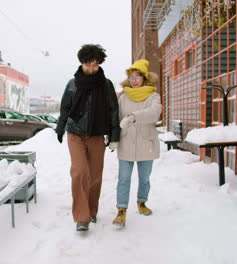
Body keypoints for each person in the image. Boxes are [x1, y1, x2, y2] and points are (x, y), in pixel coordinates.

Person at [56, 44, 120, 232]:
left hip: (97, 133)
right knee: (79, 172)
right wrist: (60, 128)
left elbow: (113, 110)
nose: (91, 68)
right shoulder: (72, 83)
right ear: (81, 63)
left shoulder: (106, 84)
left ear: (99, 63)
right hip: (75, 133)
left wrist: (114, 134)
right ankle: (81, 218)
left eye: (95, 65)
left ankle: (92, 211)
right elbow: (65, 108)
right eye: (88, 64)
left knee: (94, 175)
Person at [112, 59, 162, 227]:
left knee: (144, 178)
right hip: (126, 142)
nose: (134, 81)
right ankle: (121, 210)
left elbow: (154, 113)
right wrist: (112, 138)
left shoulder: (153, 96)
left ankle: (142, 202)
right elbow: (116, 119)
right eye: (131, 77)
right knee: (123, 178)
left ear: (144, 79)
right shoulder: (123, 98)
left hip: (145, 142)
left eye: (137, 77)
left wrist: (133, 117)